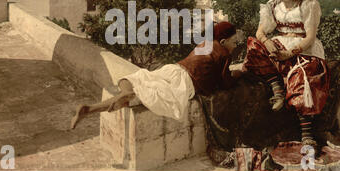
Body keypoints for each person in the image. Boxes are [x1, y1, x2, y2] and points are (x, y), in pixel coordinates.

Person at [71, 21, 240, 129]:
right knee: (150, 96)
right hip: (185, 82)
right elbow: (225, 83)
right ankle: (128, 95)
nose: (236, 45)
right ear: (224, 42)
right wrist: (239, 73)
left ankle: (90, 109)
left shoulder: (205, 44)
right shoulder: (224, 53)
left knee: (136, 79)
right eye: (235, 42)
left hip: (173, 69)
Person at [242, 0, 330, 153]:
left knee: (304, 77)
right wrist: (268, 43)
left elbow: (310, 38)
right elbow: (260, 33)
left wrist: (288, 54)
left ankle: (307, 134)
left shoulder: (308, 5)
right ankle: (277, 89)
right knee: (254, 46)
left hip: (303, 48)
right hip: (280, 44)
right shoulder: (273, 5)